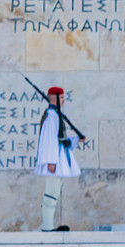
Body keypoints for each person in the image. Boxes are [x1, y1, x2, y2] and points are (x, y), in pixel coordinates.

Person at [34, 86, 85, 232]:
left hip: (57, 159)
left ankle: (49, 226)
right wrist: (50, 161)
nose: (63, 100)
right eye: (61, 97)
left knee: (54, 192)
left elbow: (61, 140)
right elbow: (49, 140)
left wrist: (76, 140)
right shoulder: (51, 116)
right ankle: (47, 227)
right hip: (54, 161)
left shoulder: (55, 115)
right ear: (54, 98)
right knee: (50, 193)